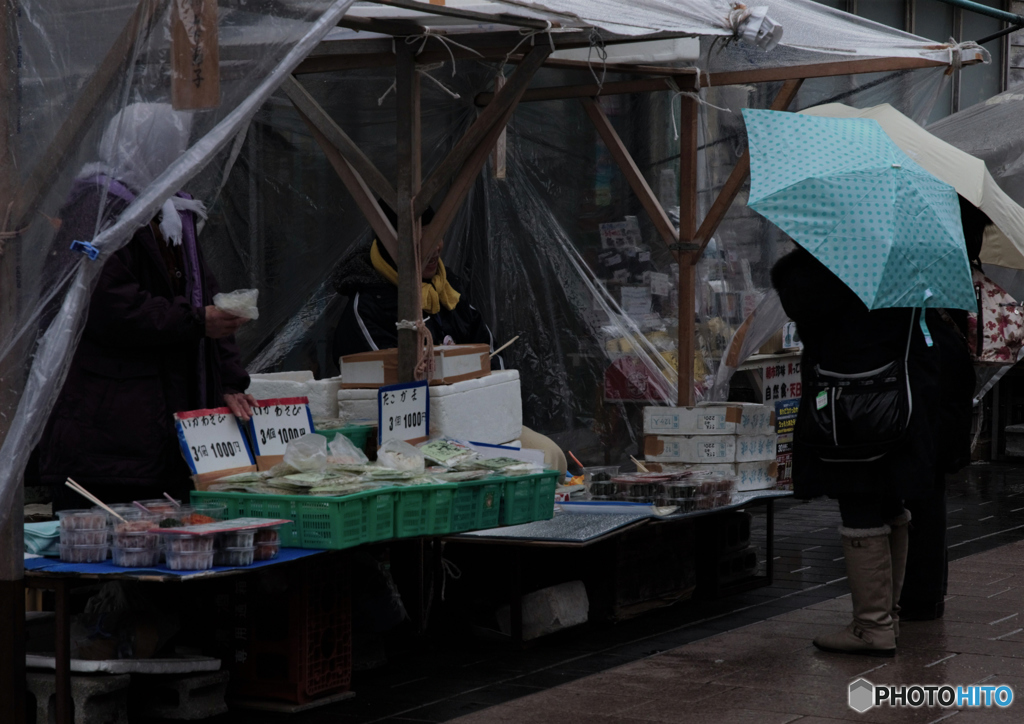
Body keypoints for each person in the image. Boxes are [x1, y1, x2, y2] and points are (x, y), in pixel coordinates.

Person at [39, 102, 257, 510]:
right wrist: (195, 322)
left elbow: (204, 295)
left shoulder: (171, 209)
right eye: (170, 146)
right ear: (142, 149)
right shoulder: (98, 208)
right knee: (109, 550)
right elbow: (106, 304)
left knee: (165, 546)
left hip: (159, 424)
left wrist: (229, 379)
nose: (181, 155)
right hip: (110, 432)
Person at [772, 246, 944, 657]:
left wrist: (796, 259)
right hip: (899, 399)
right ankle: (887, 617)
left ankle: (872, 627)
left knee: (860, 504)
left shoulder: (820, 267)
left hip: (846, 405)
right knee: (890, 501)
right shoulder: (904, 258)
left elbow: (801, 305)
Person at [331, 209, 567, 476]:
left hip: (477, 422)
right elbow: (393, 396)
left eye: (439, 236)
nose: (436, 248)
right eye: (423, 243)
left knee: (550, 456)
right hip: (407, 443)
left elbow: (489, 355)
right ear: (394, 247)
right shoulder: (368, 307)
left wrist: (472, 381)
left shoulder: (447, 288)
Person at [899, 198, 981, 621]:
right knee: (928, 489)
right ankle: (925, 592)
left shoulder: (925, 225)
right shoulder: (954, 227)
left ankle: (917, 593)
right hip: (942, 366)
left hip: (927, 369)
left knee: (920, 489)